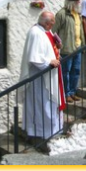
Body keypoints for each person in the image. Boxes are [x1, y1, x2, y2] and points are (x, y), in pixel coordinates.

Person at [19, 11, 65, 139]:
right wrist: (48, 62)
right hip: (40, 78)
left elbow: (49, 49)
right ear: (45, 22)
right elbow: (34, 57)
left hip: (50, 75)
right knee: (42, 105)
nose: (52, 26)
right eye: (51, 23)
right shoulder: (35, 33)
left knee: (49, 104)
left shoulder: (46, 31)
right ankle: (42, 132)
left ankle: (54, 130)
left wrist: (57, 50)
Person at [53, 0, 85, 101]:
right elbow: (54, 32)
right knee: (65, 73)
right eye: (77, 1)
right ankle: (66, 94)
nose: (79, 3)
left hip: (77, 47)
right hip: (66, 49)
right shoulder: (61, 14)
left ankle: (72, 92)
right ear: (70, 2)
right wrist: (57, 46)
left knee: (75, 71)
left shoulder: (77, 14)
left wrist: (83, 45)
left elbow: (80, 31)